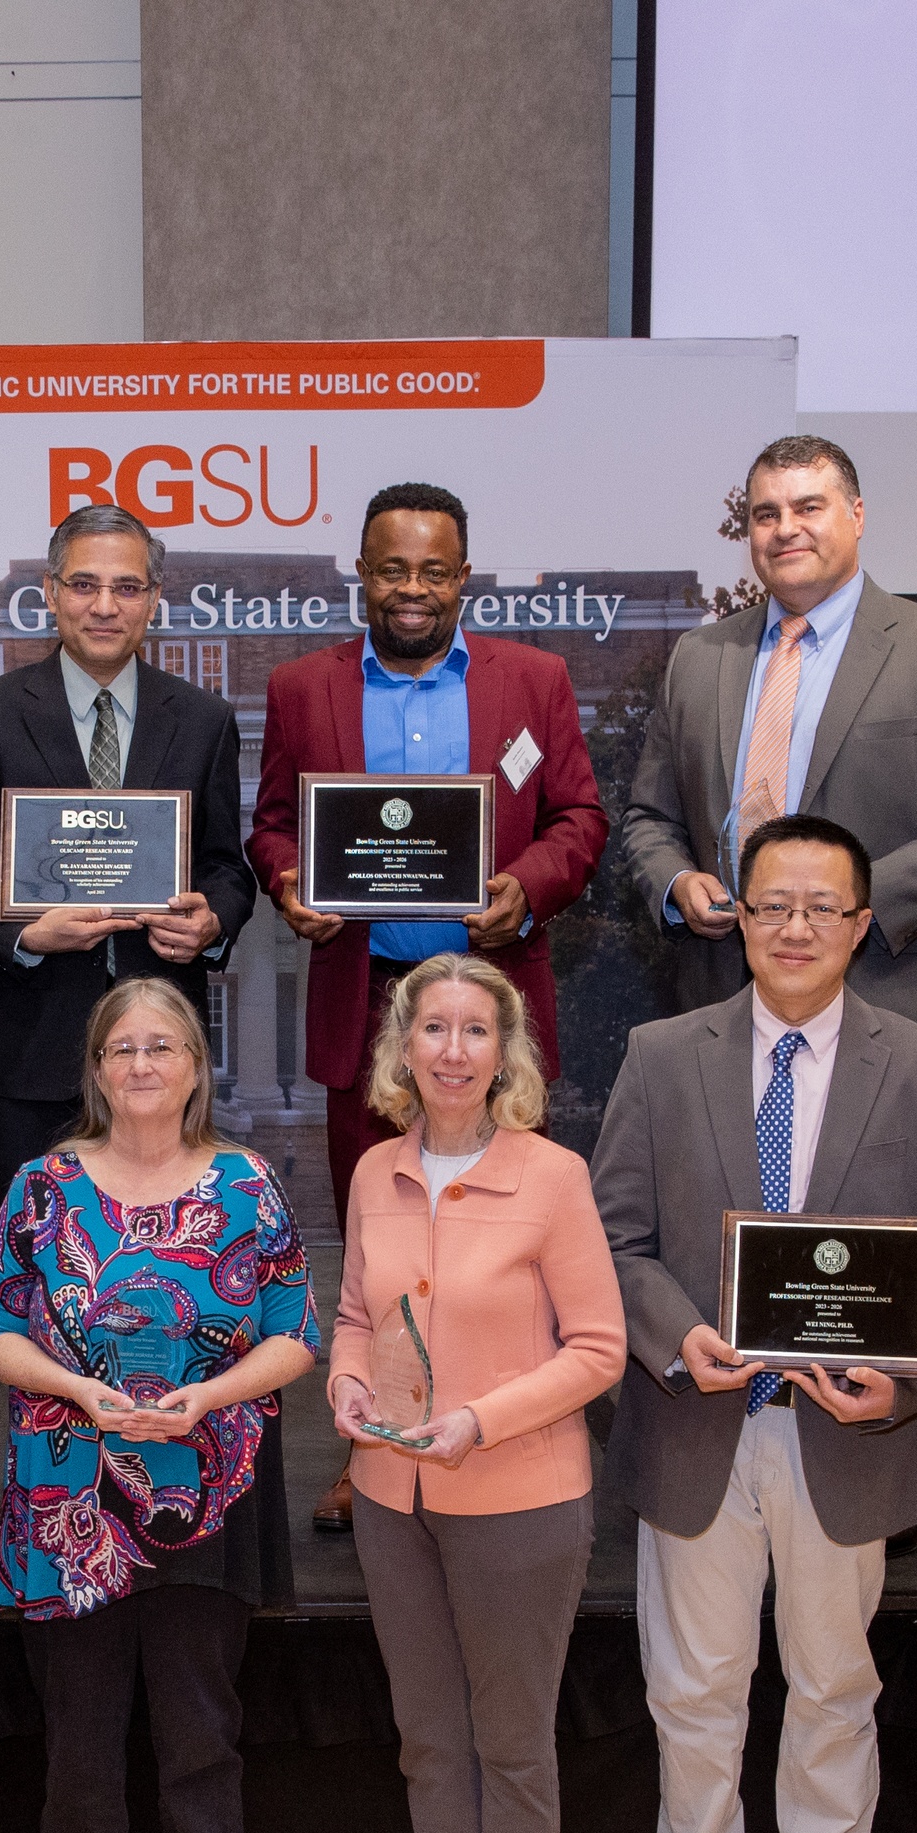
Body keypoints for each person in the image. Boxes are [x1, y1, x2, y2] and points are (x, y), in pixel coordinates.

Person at [589, 816, 917, 1833]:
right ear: (740, 918)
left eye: (824, 906)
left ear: (862, 926)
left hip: (843, 1439)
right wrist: (672, 1336)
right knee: (693, 1693)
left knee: (831, 1691)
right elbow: (613, 1239)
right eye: (774, 905)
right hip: (697, 1422)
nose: (798, 926)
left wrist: (903, 1383)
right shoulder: (662, 1056)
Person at [250, 480, 605, 1531]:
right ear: (360, 573)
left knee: (500, 1243)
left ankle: (500, 1429)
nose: (412, 589)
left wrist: (527, 887)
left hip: (492, 1015)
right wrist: (286, 882)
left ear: (464, 575)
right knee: (379, 1248)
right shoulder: (301, 688)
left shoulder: (533, 682)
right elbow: (274, 823)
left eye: (433, 570)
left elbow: (579, 815)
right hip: (370, 1014)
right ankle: (375, 1451)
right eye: (391, 568)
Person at [0, 977, 320, 1833]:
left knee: (199, 1738)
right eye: (121, 1046)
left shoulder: (246, 1186)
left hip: (203, 1493)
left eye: (161, 1045)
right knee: (80, 1742)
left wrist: (208, 1398)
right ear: (95, 1067)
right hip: (70, 1497)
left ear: (194, 1065)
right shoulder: (41, 1187)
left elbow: (295, 1332)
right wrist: (84, 1392)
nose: (140, 1063)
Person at [330, 954, 626, 1833]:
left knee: (510, 1739)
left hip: (519, 1496)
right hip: (390, 1496)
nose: (452, 1050)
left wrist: (480, 1421)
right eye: (433, 1029)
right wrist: (345, 1378)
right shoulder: (373, 1174)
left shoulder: (552, 1177)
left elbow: (600, 1348)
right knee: (427, 1739)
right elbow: (356, 1313)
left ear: (507, 1053)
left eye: (474, 1031)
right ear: (402, 1047)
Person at [619, 434, 917, 1027]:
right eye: (766, 515)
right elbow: (650, 818)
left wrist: (846, 901)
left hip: (879, 996)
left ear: (857, 515)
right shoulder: (699, 656)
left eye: (808, 507)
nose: (785, 528)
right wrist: (678, 880)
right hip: (718, 1002)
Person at [0, 502, 258, 1193]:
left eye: (127, 588)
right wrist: (27, 931)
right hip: (35, 1052)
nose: (104, 606)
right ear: (50, 592)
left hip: (162, 1056)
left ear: (153, 600)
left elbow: (228, 867)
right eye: (84, 585)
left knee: (168, 1253)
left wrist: (212, 921)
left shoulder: (203, 721)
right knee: (37, 1266)